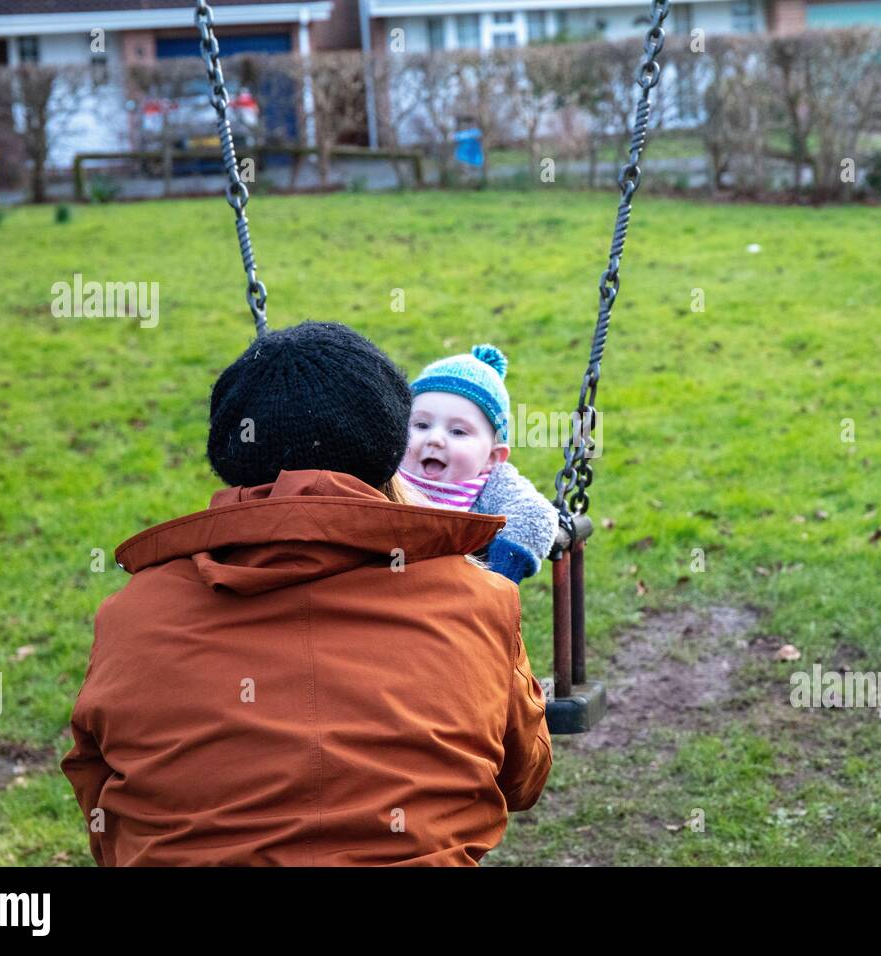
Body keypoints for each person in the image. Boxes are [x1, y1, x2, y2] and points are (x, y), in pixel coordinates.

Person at [61, 321, 552, 866]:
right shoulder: (477, 598)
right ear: (392, 446)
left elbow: (98, 790)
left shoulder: (133, 614)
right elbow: (521, 777)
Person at [397, 344, 560, 585]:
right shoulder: (388, 472)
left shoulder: (493, 486)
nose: (434, 439)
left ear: (492, 458)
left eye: (457, 431)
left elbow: (535, 517)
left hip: (458, 602)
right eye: (421, 425)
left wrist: (495, 582)